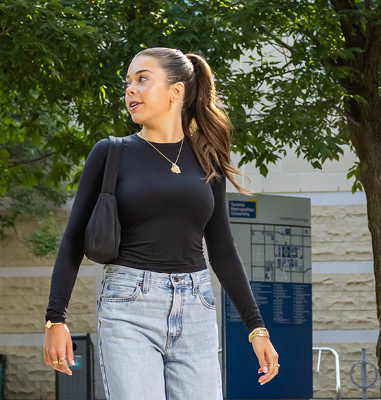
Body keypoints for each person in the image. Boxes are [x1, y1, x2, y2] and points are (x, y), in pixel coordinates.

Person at [42, 48, 280, 399]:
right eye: (128, 83)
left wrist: (256, 327)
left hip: (196, 307)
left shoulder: (207, 157)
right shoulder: (111, 153)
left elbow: (223, 249)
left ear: (176, 91)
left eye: (142, 79)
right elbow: (73, 239)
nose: (130, 90)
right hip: (128, 306)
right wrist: (55, 318)